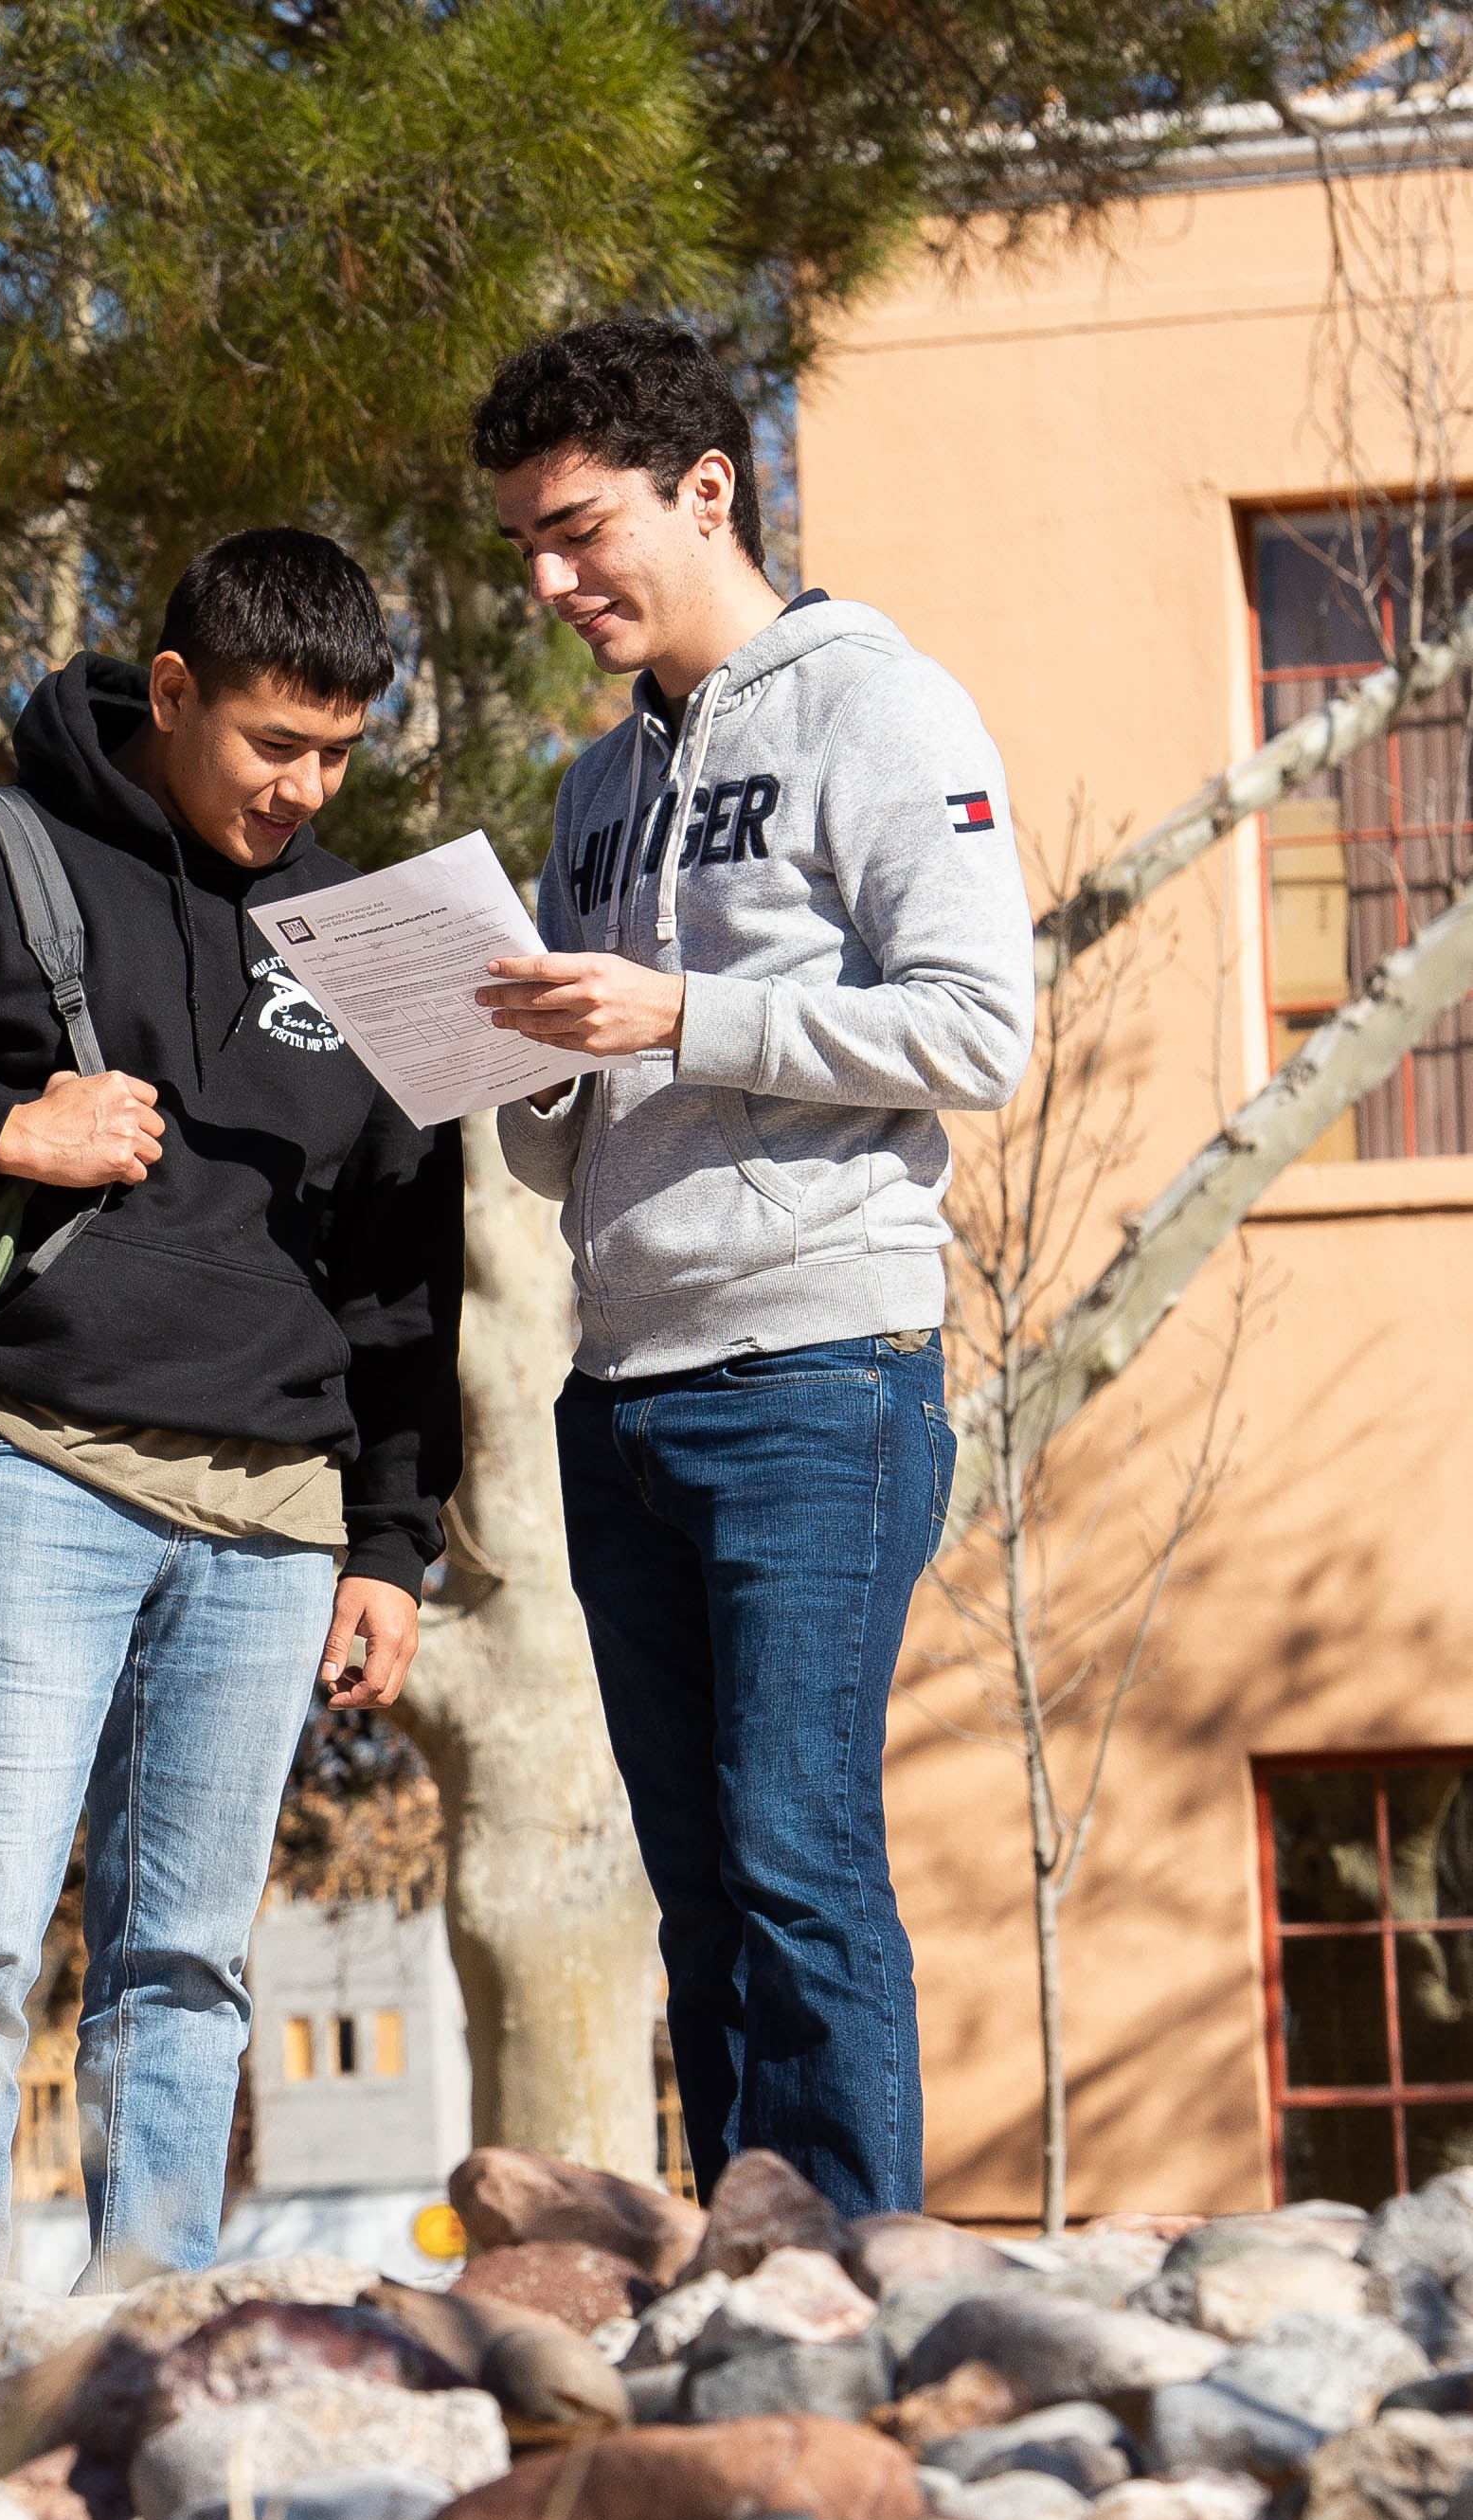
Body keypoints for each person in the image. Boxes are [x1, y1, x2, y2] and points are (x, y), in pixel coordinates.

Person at [0, 529, 463, 2290]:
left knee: (188, 1961)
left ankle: (157, 2330)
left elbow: (405, 1272)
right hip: (24, 1468)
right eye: (274, 743)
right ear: (175, 691)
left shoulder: (368, 934)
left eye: (340, 754)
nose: (305, 788)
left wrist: (391, 1539)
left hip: (277, 1515)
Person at [467, 315, 1032, 2218]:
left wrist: (682, 1010)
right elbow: (580, 1118)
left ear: (702, 488)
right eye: (523, 552)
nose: (548, 584)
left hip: (815, 1372)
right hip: (613, 1379)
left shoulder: (877, 709)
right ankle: (736, 2268)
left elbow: (972, 1031)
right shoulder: (587, 793)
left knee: (796, 1854)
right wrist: (517, 1068)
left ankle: (854, 2273)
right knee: (695, 1882)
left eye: (574, 532)